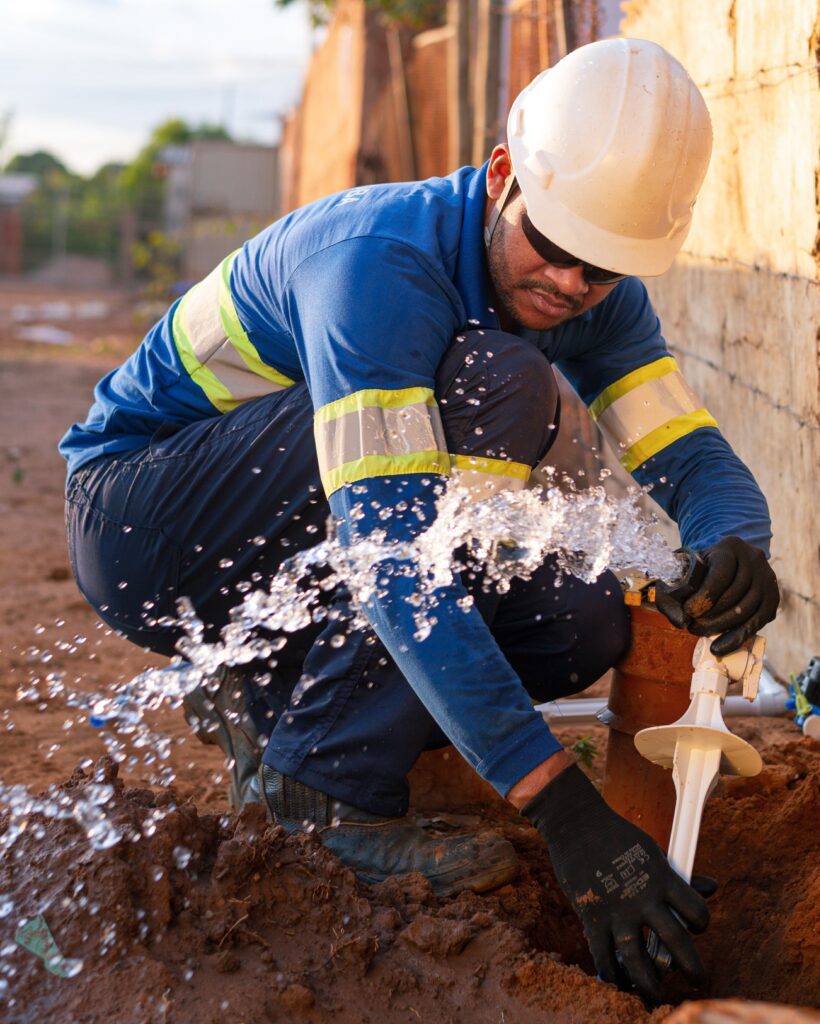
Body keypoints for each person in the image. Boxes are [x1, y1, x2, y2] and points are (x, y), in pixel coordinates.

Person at [60, 38, 780, 1002]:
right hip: (143, 522)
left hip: (277, 526)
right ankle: (318, 791)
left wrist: (740, 545)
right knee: (499, 385)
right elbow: (392, 555)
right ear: (501, 175)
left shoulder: (595, 299)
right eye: (555, 246)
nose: (570, 285)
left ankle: (272, 698)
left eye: (601, 270)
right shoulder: (378, 263)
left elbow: (688, 457)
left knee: (584, 621)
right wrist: (566, 815)